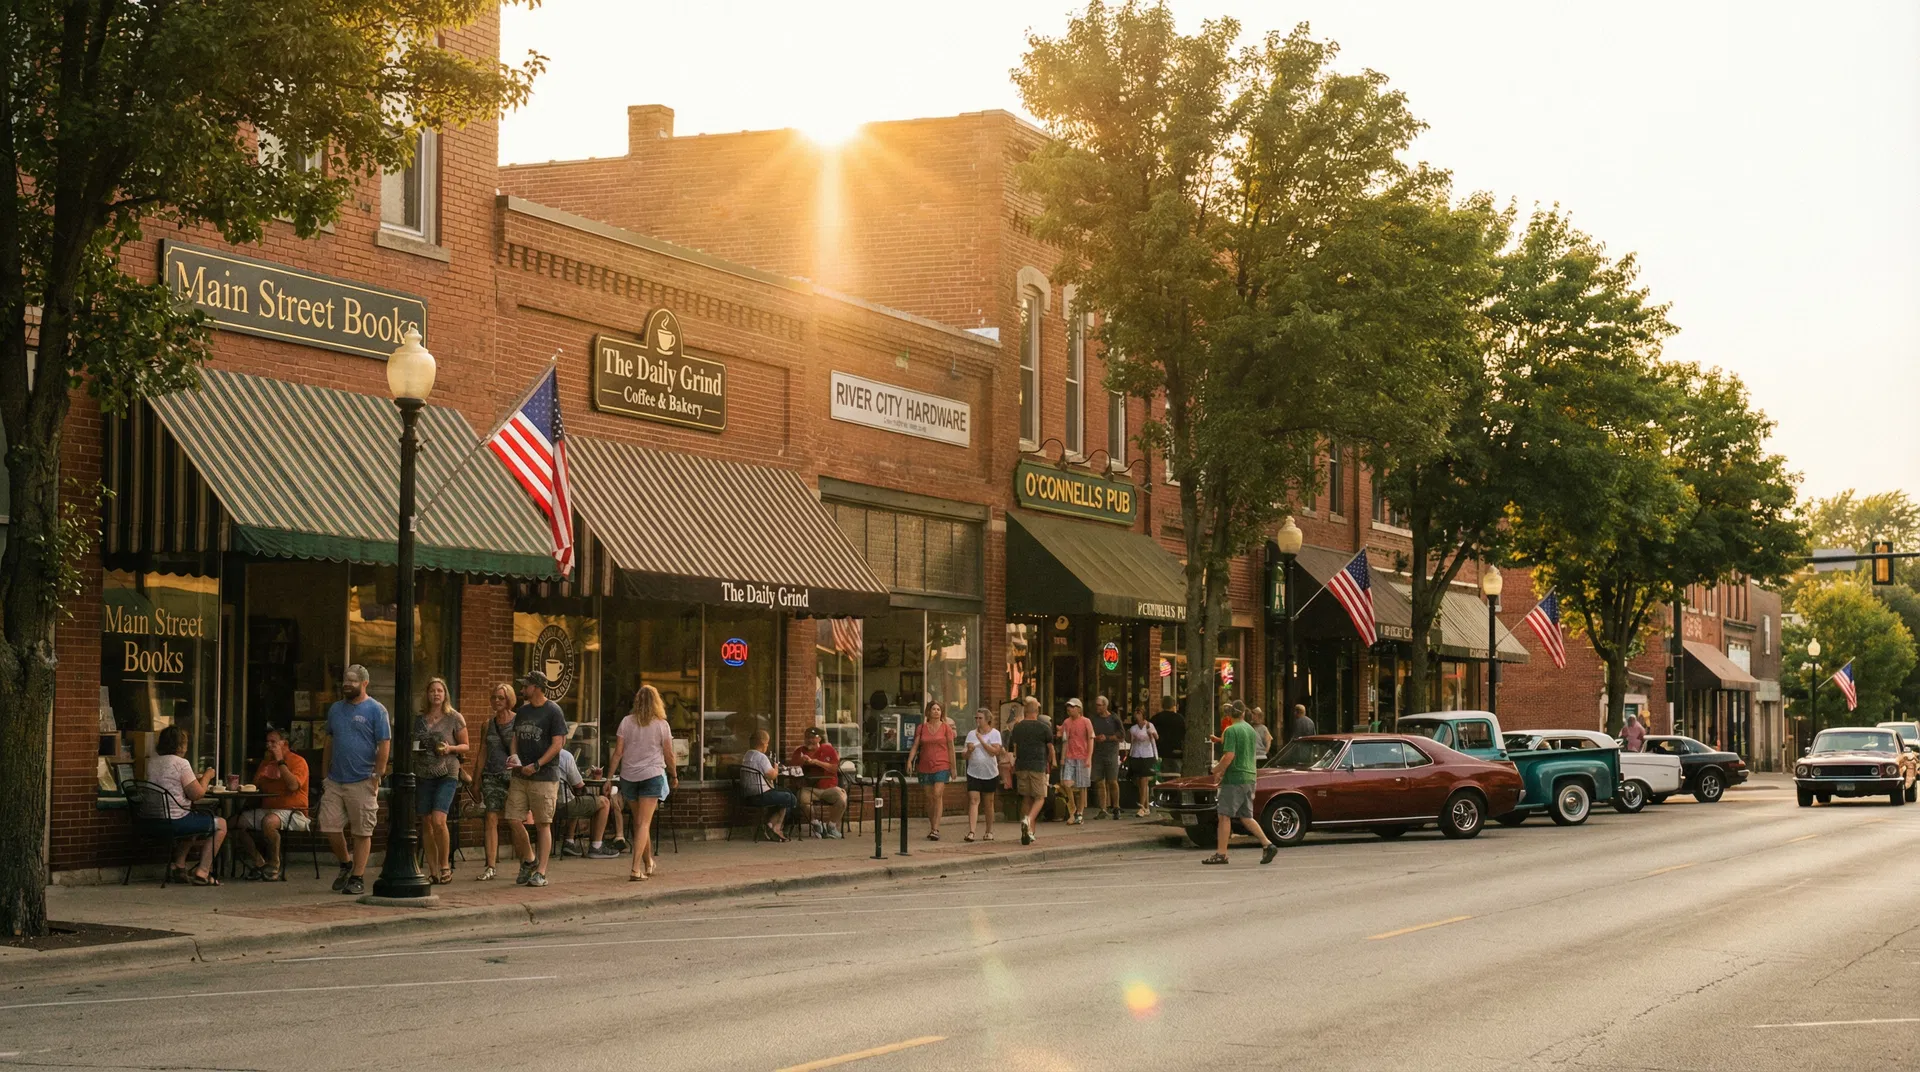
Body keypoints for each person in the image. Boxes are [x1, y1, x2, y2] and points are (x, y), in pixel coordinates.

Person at [320, 664, 389, 896]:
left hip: (363, 779)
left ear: (364, 683)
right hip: (335, 780)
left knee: (362, 832)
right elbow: (329, 741)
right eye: (345, 680)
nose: (347, 684)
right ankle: (345, 863)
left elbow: (384, 744)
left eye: (352, 680)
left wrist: (377, 774)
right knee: (329, 826)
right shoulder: (335, 710)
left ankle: (357, 877)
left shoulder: (376, 710)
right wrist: (324, 774)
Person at [506, 671, 568, 887]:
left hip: (544, 776)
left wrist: (537, 764)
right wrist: (514, 757)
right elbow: (515, 737)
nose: (523, 689)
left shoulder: (553, 711)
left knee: (543, 823)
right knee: (513, 818)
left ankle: (541, 871)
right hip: (519, 774)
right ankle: (530, 859)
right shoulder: (522, 711)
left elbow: (558, 743)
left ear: (538, 687)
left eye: (527, 686)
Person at [609, 684, 678, 880]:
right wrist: (674, 775)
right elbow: (669, 754)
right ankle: (635, 869)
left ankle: (648, 863)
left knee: (640, 823)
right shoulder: (661, 725)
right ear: (657, 702)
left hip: (629, 776)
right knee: (643, 823)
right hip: (652, 775)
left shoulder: (626, 722)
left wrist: (609, 777)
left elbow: (618, 753)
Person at [145, 725, 226, 886]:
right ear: (180, 745)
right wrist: (207, 777)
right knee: (221, 824)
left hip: (152, 820)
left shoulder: (153, 763)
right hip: (175, 821)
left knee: (194, 822)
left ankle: (179, 865)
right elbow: (197, 794)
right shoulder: (181, 763)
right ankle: (203, 872)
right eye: (185, 742)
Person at [230, 727, 308, 881]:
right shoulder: (266, 762)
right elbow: (255, 787)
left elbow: (293, 786)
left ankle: (274, 865)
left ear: (284, 744)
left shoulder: (298, 761)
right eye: (267, 742)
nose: (269, 745)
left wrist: (280, 762)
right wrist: (265, 771)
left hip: (293, 811)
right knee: (232, 823)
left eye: (273, 742)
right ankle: (259, 862)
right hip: (267, 808)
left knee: (269, 822)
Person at [1206, 703, 1278, 866]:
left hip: (1235, 778)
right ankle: (1268, 844)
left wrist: (1215, 770)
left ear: (1230, 714)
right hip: (1250, 776)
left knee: (1224, 815)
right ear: (1244, 714)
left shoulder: (1231, 730)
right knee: (1246, 816)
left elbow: (1229, 756)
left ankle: (1221, 854)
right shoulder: (1250, 730)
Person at [414, 677, 469, 885]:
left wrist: (450, 749)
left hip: (447, 772)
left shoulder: (454, 717)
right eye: (432, 691)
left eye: (440, 691)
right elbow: (414, 741)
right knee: (426, 821)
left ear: (445, 694)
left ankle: (445, 865)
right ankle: (433, 869)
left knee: (439, 820)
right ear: (427, 695)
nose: (436, 694)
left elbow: (466, 746)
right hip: (423, 772)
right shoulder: (419, 719)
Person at [475, 682, 517, 881]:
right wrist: (476, 781)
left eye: (501, 697)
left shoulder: (518, 721)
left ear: (509, 699)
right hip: (491, 775)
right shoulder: (487, 724)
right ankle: (490, 865)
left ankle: (527, 861)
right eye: (494, 698)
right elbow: (482, 753)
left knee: (514, 819)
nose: (497, 701)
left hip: (513, 776)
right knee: (490, 817)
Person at [553, 747, 617, 859]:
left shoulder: (537, 753)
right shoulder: (565, 755)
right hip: (563, 805)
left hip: (545, 804)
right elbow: (578, 784)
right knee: (604, 802)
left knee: (578, 798)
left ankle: (569, 840)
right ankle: (596, 846)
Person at [1009, 696, 1056, 845]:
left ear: (1025, 711)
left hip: (1021, 766)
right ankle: (1028, 821)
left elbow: (1013, 746)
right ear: (1037, 711)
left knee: (1026, 797)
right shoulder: (1044, 728)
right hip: (1038, 766)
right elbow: (1050, 748)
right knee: (1040, 797)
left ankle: (1029, 832)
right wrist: (1052, 761)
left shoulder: (1018, 727)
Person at [907, 700, 956, 840]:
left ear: (942, 712)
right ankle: (932, 826)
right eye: (933, 709)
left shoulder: (946, 728)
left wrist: (953, 767)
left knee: (937, 794)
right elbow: (916, 745)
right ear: (928, 711)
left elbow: (951, 748)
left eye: (938, 709)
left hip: (942, 765)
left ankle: (936, 829)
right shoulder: (921, 728)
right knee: (929, 798)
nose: (936, 711)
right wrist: (910, 760)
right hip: (925, 766)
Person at [738, 729, 795, 841]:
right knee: (790, 797)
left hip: (747, 796)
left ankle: (770, 826)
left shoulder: (747, 755)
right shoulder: (761, 757)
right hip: (760, 796)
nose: (767, 746)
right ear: (763, 743)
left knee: (783, 796)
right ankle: (774, 826)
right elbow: (772, 775)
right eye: (767, 743)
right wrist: (776, 767)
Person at [791, 726, 846, 839]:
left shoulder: (829, 749)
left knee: (841, 799)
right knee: (802, 798)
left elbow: (834, 768)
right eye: (806, 737)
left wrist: (816, 762)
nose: (808, 740)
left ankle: (831, 826)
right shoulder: (800, 751)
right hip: (809, 788)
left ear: (819, 738)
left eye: (812, 737)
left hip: (829, 787)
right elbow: (792, 768)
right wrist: (802, 761)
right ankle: (815, 823)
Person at [963, 708, 1002, 842]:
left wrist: (982, 741)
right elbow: (964, 755)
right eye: (976, 718)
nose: (978, 721)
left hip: (990, 773)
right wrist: (969, 751)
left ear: (987, 720)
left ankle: (989, 831)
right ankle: (971, 831)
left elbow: (994, 752)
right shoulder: (971, 734)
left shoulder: (995, 734)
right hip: (973, 772)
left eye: (980, 718)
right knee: (973, 800)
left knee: (988, 802)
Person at [1057, 698, 1094, 824]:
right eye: (1068, 707)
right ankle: (1072, 810)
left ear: (1079, 708)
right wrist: (1062, 757)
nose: (1069, 709)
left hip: (1082, 757)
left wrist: (1089, 757)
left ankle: (1080, 812)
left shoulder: (1086, 721)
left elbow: (1090, 739)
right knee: (1067, 783)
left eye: (1072, 707)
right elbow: (1064, 739)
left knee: (1082, 786)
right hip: (1069, 757)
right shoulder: (1067, 722)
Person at [1090, 695, 1124, 820]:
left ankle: (1116, 807)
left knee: (1112, 781)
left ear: (1105, 706)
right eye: (1096, 705)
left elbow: (1121, 735)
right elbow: (1090, 733)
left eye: (1099, 705)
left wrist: (1108, 738)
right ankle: (1103, 809)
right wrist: (1095, 738)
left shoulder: (1114, 718)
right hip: (1098, 753)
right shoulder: (1094, 719)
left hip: (1111, 752)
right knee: (1099, 781)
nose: (1097, 707)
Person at [1126, 708, 1160, 818]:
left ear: (1143, 715)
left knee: (1144, 780)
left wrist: (1151, 732)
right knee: (1140, 782)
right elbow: (1128, 740)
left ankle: (1141, 807)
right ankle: (1146, 807)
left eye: (1139, 713)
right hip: (1136, 754)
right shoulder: (1133, 728)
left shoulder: (1149, 725)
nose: (1137, 715)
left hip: (1147, 755)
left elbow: (1156, 737)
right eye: (1136, 713)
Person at [1151, 698, 1186, 771]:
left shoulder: (1155, 719)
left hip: (1159, 753)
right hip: (1176, 754)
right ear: (1174, 706)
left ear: (1162, 706)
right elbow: (1184, 735)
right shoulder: (1180, 719)